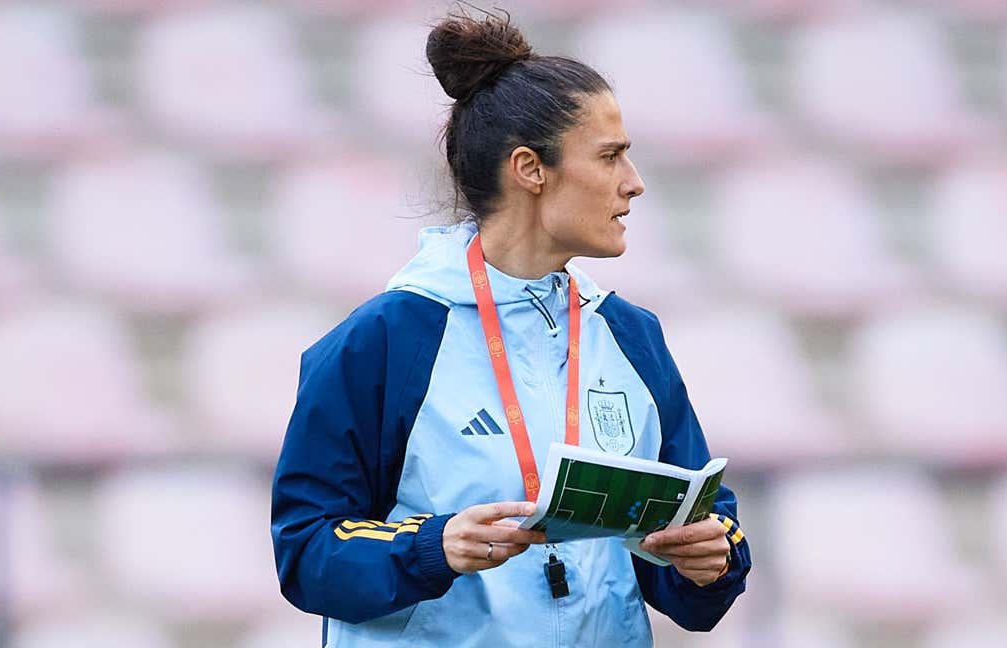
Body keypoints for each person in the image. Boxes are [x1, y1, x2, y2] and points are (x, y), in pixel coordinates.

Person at [271, 8, 751, 647]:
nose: (633, 185)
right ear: (531, 169)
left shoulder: (631, 335)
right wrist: (431, 545)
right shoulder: (386, 339)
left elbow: (702, 525)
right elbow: (306, 550)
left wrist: (711, 558)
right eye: (610, 157)